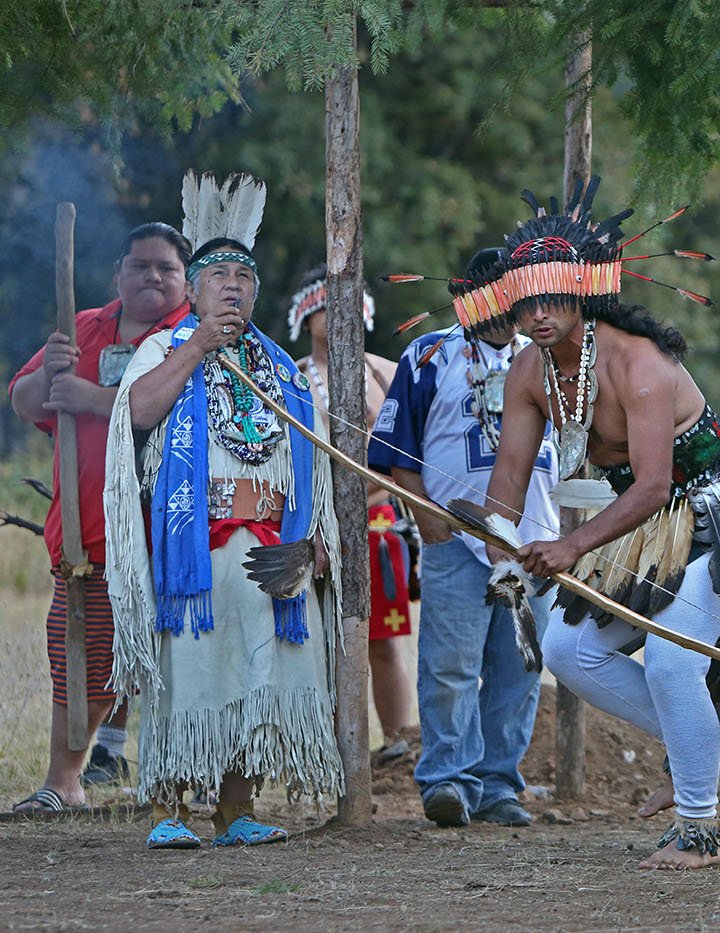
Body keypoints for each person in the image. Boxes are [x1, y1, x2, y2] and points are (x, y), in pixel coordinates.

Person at [478, 179, 720, 870]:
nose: (540, 313)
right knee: (568, 652)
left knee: (674, 657)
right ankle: (698, 744)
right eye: (526, 301)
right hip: (645, 522)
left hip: (717, 511)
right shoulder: (529, 371)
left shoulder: (638, 363)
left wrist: (570, 545)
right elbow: (507, 485)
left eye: (553, 297)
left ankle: (699, 827)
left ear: (583, 293)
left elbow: (651, 484)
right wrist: (496, 544)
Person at [105, 173, 343, 849]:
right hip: (194, 548)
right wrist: (200, 344)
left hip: (271, 550)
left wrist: (316, 541)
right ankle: (166, 811)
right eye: (218, 275)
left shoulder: (283, 370)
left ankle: (235, 810)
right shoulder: (166, 346)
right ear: (195, 287)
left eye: (244, 274)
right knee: (190, 676)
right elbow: (140, 412)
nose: (233, 285)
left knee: (257, 680)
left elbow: (314, 470)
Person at [368, 247, 560, 829]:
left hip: (533, 545)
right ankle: (448, 780)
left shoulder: (550, 356)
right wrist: (436, 529)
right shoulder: (429, 354)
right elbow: (397, 450)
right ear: (468, 294)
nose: (505, 305)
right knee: (450, 666)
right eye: (491, 292)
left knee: (520, 668)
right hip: (459, 543)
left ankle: (499, 785)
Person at [8, 222, 194, 813]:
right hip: (89, 532)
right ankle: (64, 783)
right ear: (118, 273)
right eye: (141, 265)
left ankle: (181, 785)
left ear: (185, 280)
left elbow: (176, 408)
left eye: (166, 268)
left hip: (174, 534)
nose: (154, 277)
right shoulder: (83, 328)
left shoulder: (196, 337)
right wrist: (48, 374)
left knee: (175, 659)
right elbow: (25, 402)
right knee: (76, 653)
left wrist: (94, 400)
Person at [290, 267, 415, 761]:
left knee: (382, 639)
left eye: (344, 302)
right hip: (314, 527)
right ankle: (331, 747)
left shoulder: (386, 373)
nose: (335, 313)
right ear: (305, 313)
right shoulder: (292, 380)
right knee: (322, 642)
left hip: (380, 524)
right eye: (323, 304)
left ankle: (399, 740)